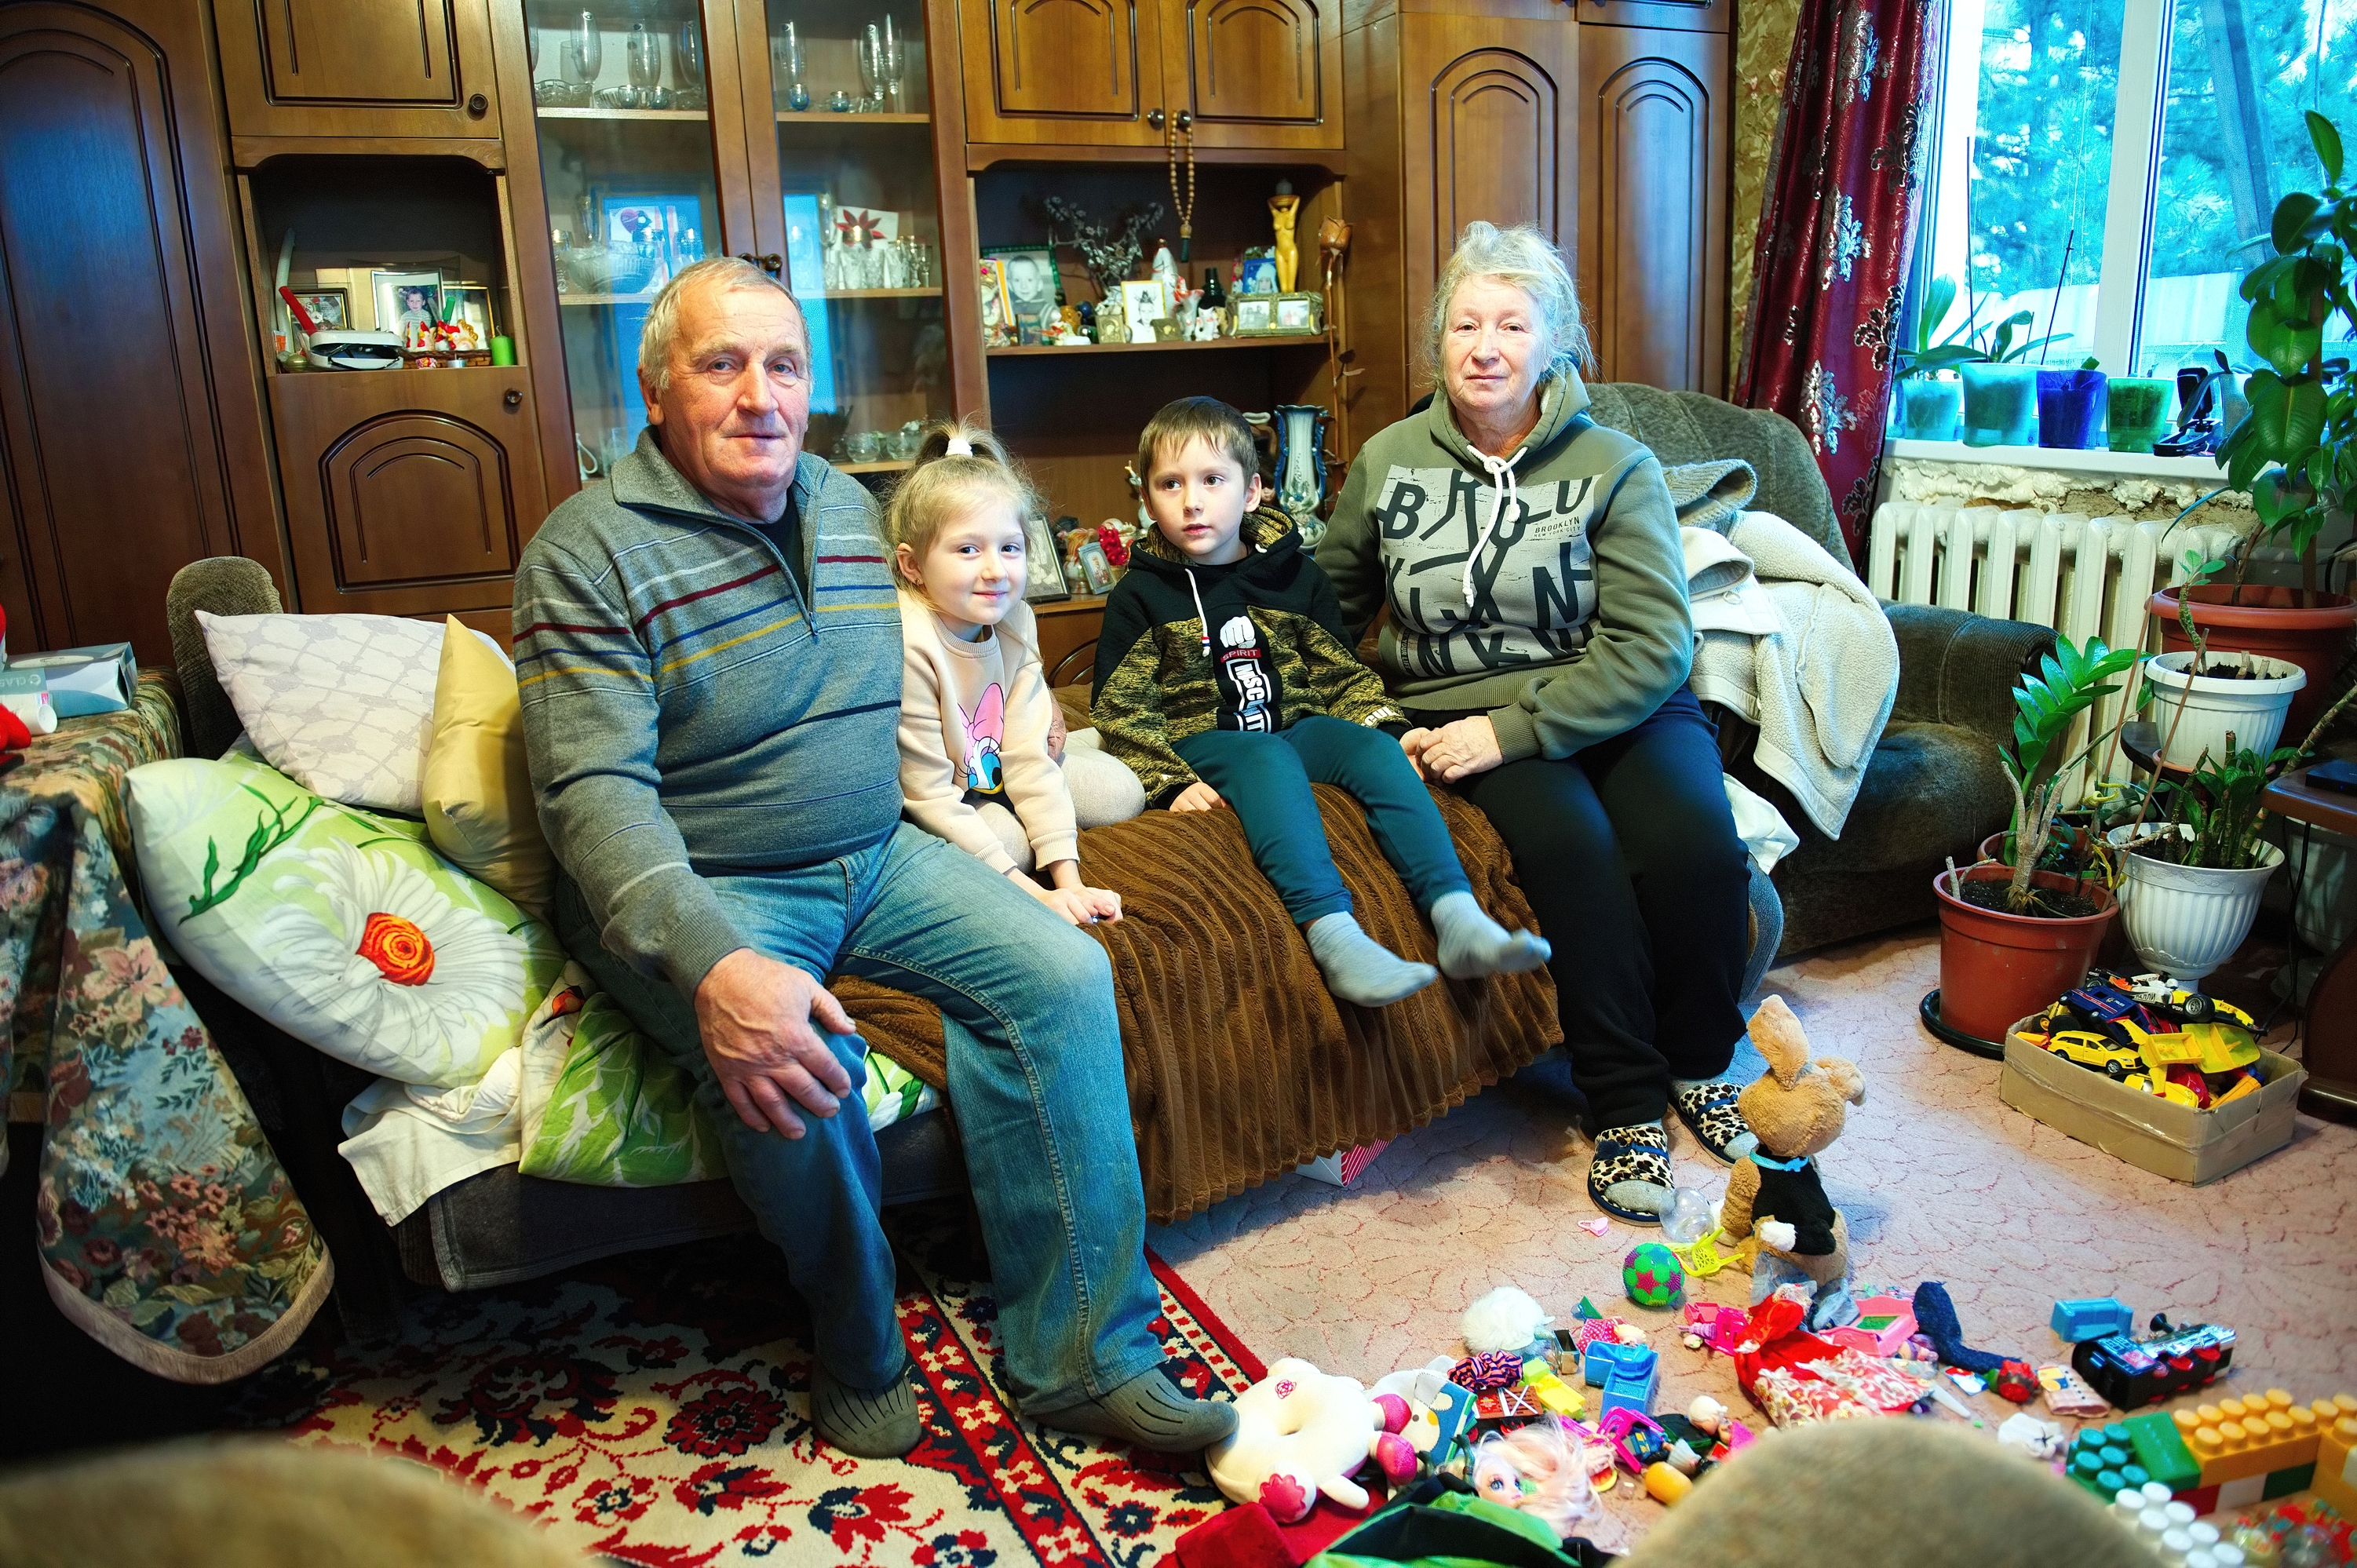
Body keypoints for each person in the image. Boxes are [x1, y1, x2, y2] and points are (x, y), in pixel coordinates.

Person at [513, 257, 1235, 1460]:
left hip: (877, 850)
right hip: (710, 881)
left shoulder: (852, 509)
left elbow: (960, 653)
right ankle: (855, 1337)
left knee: (1061, 978)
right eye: (720, 364)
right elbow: (591, 796)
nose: (759, 395)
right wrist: (709, 963)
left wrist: (1024, 716)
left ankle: (1083, 1357)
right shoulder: (585, 553)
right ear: (654, 393)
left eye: (784, 365)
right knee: (795, 1062)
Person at [1315, 222, 1758, 1223]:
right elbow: (1325, 617)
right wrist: (1356, 717)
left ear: (1555, 344)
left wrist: (1516, 733)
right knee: (1574, 849)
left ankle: (1701, 1064)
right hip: (1460, 705)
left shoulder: (1615, 463)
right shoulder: (1386, 461)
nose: (1485, 346)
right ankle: (1628, 1104)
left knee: (1695, 843)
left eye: (1512, 324)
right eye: (1465, 324)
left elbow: (1654, 647)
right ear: (1438, 344)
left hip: (1625, 702)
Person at [1092, 396, 1550, 1008]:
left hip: (1296, 724)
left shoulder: (1296, 578)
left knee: (1370, 749)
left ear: (1252, 492)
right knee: (1265, 761)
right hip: (1205, 737)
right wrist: (1167, 782)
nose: (1192, 501)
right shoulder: (1139, 597)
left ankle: (1457, 916)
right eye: (1170, 485)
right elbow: (1120, 711)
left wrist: (1388, 728)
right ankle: (1334, 936)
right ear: (1147, 502)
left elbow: (1339, 674)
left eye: (1211, 480)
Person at [888, 418, 1133, 922]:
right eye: (967, 549)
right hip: (943, 790)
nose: (996, 570)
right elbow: (928, 794)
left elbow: (1025, 747)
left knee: (1121, 794)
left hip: (995, 764)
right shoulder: (910, 642)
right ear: (912, 565)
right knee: (1008, 846)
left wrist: (1071, 880)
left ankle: (1081, 745)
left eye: (1010, 547)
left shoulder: (1014, 617)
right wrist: (1038, 894)